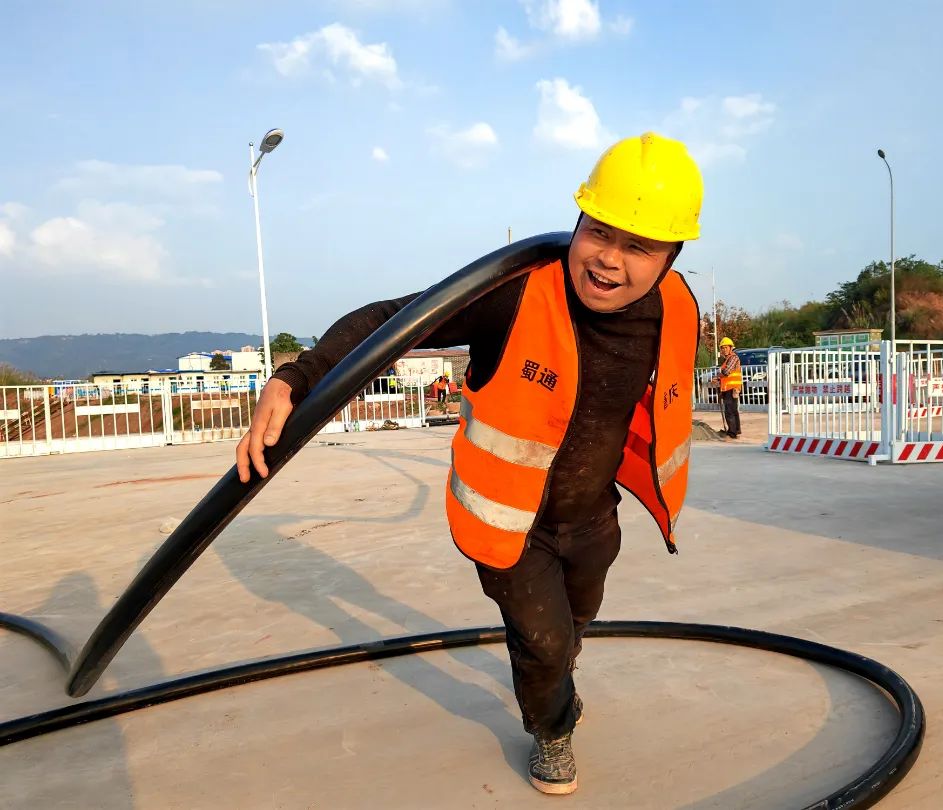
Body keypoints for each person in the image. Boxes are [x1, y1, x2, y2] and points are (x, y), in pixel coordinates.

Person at [235, 132, 703, 796]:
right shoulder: (514, 295)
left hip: (595, 517)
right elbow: (390, 319)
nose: (608, 258)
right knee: (544, 641)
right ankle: (552, 730)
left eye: (639, 246)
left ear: (672, 257)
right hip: (509, 525)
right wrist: (295, 377)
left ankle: (553, 675)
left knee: (573, 626)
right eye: (599, 232)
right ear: (577, 220)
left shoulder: (676, 309)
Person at [717, 337, 742, 439]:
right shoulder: (726, 360)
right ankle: (736, 430)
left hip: (732, 388)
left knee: (730, 411)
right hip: (727, 388)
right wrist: (718, 378)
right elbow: (724, 375)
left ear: (731, 348)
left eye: (726, 347)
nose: (724, 350)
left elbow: (726, 372)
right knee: (732, 410)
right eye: (722, 348)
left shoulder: (733, 358)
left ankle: (732, 432)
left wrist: (719, 375)